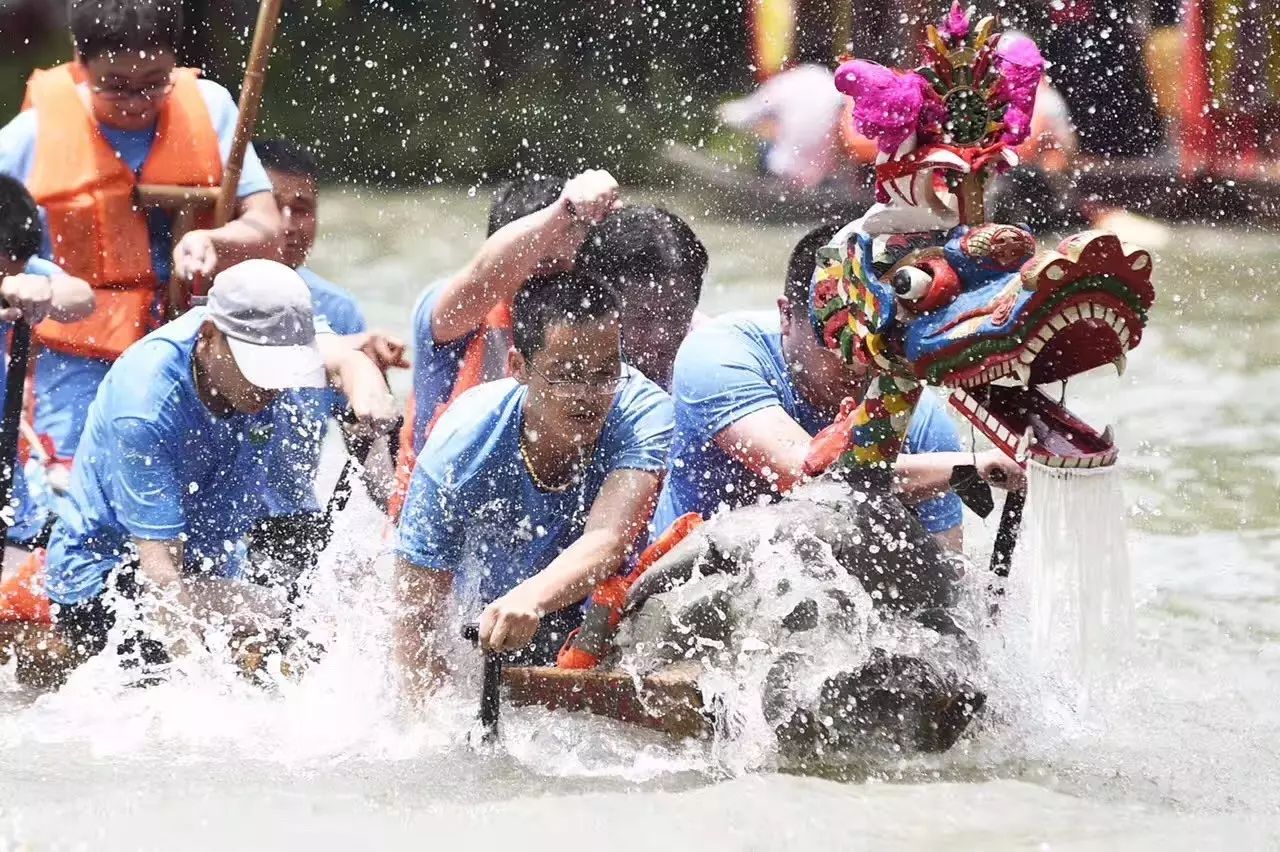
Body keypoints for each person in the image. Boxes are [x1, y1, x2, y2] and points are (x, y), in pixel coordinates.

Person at [43, 260, 397, 672]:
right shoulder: (144, 407)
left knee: (329, 619)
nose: (270, 387)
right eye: (259, 369)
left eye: (281, 368)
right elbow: (162, 578)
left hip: (209, 568)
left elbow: (343, 359)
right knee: (275, 613)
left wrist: (366, 384)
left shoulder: (271, 324)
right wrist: (204, 698)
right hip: (109, 580)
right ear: (208, 336)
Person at [0, 0, 282, 472]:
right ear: (79, 61)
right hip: (76, 352)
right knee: (72, 484)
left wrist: (217, 241)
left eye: (155, 82)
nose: (137, 101)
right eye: (116, 87)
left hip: (192, 339)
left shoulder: (211, 109)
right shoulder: (30, 134)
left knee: (192, 482)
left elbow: (268, 227)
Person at [652, 225, 1023, 552]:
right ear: (786, 316)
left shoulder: (921, 419)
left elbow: (950, 578)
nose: (859, 363)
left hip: (822, 595)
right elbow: (806, 475)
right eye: (839, 341)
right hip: (692, 579)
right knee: (763, 530)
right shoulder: (720, 352)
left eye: (877, 345)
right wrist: (975, 468)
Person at [394, 271, 672, 699]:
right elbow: (415, 613)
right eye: (565, 375)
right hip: (490, 620)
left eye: (605, 373)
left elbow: (608, 541)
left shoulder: (643, 412)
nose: (587, 394)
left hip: (594, 609)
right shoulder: (461, 448)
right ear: (518, 367)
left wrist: (533, 599)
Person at [251, 137, 407, 571]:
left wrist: (408, 516)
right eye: (271, 207)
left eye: (302, 209)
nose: (288, 224)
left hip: (291, 525)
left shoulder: (337, 309)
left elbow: (369, 454)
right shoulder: (194, 295)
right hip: (205, 517)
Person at [0, 175, 95, 552]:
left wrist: (47, 290)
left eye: (16, 269)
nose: (10, 278)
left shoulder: (27, 273)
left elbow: (83, 297)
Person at [575, 205, 708, 391]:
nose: (661, 336)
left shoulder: (712, 356)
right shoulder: (569, 360)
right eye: (642, 316)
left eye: (677, 313)